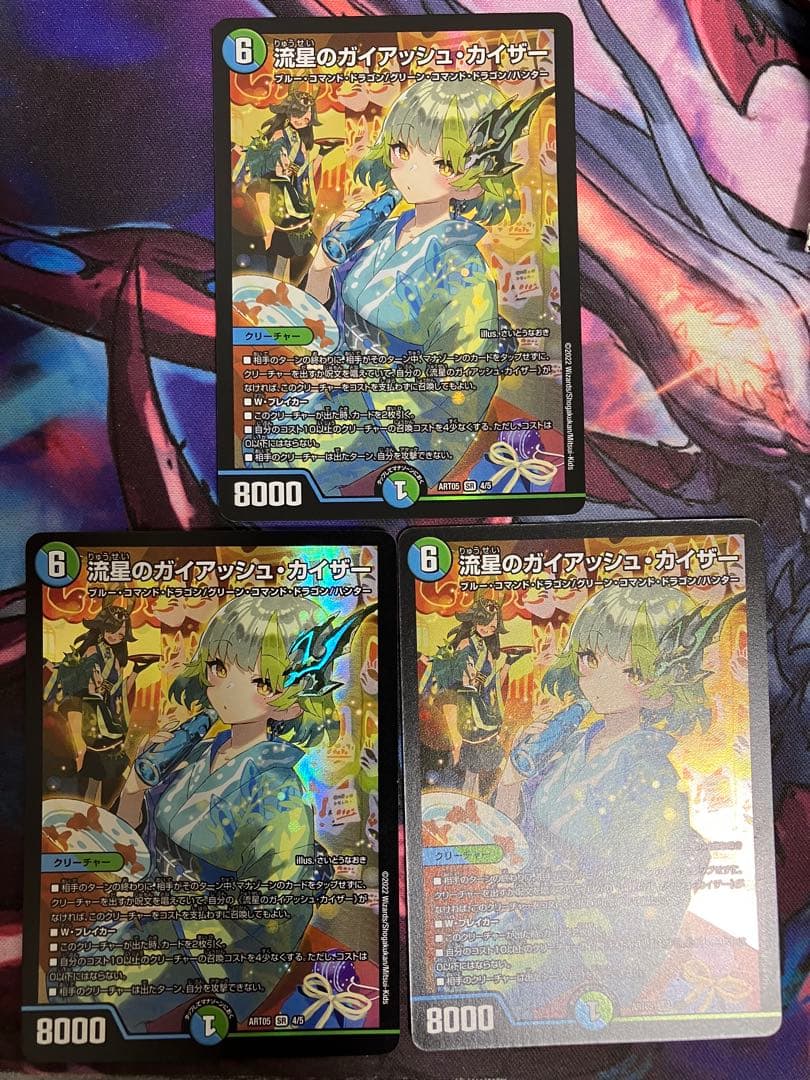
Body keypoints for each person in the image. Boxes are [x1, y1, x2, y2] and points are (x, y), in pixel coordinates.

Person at [71, 594, 370, 1032]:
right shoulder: (197, 754)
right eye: (218, 667)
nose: (224, 687)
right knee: (75, 969)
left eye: (259, 680)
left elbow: (276, 910)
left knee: (98, 998)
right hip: (149, 915)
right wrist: (134, 789)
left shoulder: (280, 792)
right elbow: (139, 842)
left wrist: (173, 908)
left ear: (291, 699)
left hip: (213, 947)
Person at [253, 81, 549, 492]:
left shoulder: (464, 270)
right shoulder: (378, 231)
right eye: (402, 149)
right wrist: (320, 267)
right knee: (264, 445)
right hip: (335, 386)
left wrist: (362, 380)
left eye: (442, 161)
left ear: (473, 180)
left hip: (393, 413)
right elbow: (325, 319)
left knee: (290, 470)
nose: (410, 169)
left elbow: (458, 382)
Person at [494, 584, 743, 1010]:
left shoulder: (649, 772)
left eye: (630, 670)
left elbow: (647, 899)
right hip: (523, 909)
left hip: (577, 948)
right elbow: (510, 835)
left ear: (661, 685)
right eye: (590, 658)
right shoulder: (572, 743)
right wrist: (511, 779)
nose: (594, 675)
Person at [44, 598, 155, 805]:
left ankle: (93, 808)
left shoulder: (115, 657)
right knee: (85, 758)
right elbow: (76, 681)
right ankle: (80, 806)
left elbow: (117, 692)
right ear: (102, 627)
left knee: (103, 765)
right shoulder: (92, 651)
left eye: (120, 634)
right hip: (81, 707)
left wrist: (135, 672)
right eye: (112, 631)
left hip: (101, 713)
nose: (116, 637)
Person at [423, 598, 511, 802]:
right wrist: (455, 735)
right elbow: (457, 683)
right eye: (484, 622)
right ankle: (452, 802)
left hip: (480, 712)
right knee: (459, 759)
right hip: (460, 708)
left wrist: (507, 664)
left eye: (493, 626)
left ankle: (472, 802)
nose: (488, 628)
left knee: (478, 766)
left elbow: (490, 686)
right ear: (474, 620)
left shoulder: (486, 651)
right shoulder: (465, 644)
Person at [242, 90, 326, 283]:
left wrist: (321, 155)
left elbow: (303, 174)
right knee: (272, 235)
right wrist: (281, 169)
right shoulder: (280, 134)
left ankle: (279, 283)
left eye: (306, 119)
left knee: (287, 241)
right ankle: (263, 280)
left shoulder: (300, 142)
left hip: (289, 192)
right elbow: (270, 164)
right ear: (288, 112)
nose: (301, 121)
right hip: (271, 189)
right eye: (298, 115)